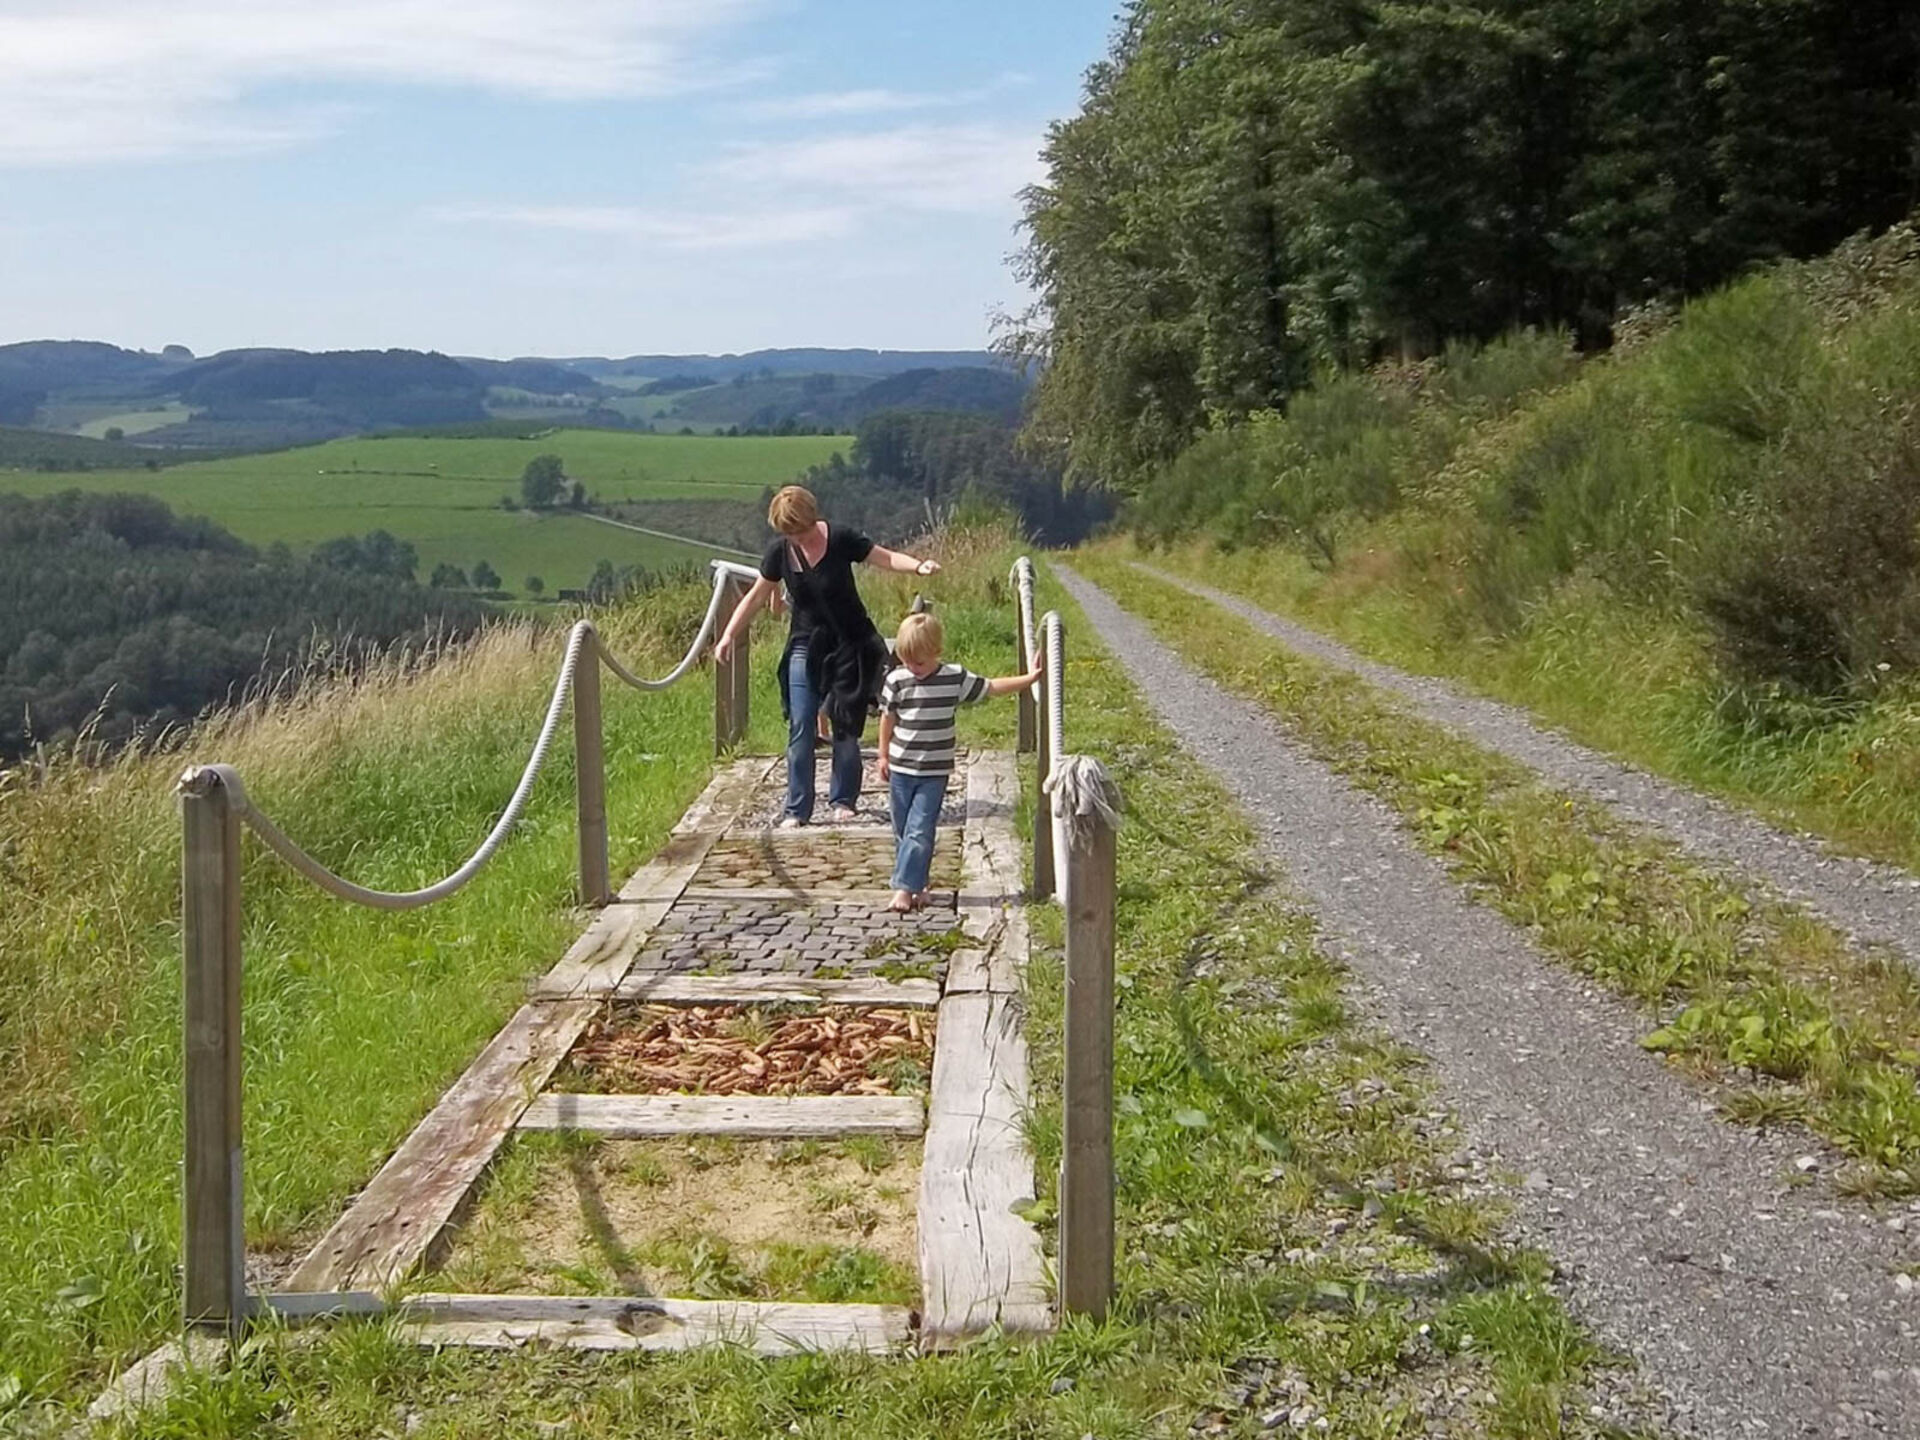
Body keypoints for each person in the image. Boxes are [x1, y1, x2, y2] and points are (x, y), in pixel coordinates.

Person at [712, 486, 942, 826]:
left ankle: (843, 799)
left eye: (802, 531)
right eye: (790, 533)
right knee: (802, 723)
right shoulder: (780, 552)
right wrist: (729, 634)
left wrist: (918, 567)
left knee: (845, 725)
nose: (798, 539)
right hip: (806, 644)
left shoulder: (840, 539)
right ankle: (796, 808)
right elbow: (757, 596)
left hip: (852, 643)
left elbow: (884, 557)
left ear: (812, 519)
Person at [877, 612, 1041, 913]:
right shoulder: (896, 680)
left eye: (920, 662)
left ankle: (902, 889)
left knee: (920, 828)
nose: (913, 668)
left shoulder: (953, 677)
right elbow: (888, 719)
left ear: (937, 653)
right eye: (906, 660)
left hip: (934, 771)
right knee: (902, 829)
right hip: (902, 767)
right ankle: (920, 884)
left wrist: (1028, 679)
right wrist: (883, 755)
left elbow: (990, 686)